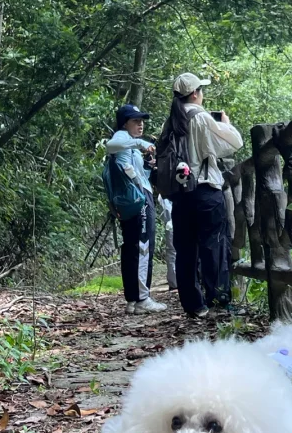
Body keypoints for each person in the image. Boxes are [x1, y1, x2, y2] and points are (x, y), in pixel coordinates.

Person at [163, 73, 243, 318]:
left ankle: (194, 305)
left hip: (180, 195)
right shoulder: (200, 117)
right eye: (201, 90)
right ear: (195, 93)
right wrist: (226, 124)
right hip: (205, 190)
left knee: (185, 250)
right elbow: (233, 143)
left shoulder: (170, 122)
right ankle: (218, 300)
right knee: (214, 245)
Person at [104, 104, 166, 314]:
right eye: (135, 121)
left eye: (141, 121)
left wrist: (149, 167)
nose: (140, 125)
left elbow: (134, 172)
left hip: (132, 200)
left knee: (131, 247)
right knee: (142, 246)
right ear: (124, 123)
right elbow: (110, 145)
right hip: (139, 200)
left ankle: (132, 299)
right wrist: (141, 143)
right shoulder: (122, 137)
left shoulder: (127, 144)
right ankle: (142, 299)